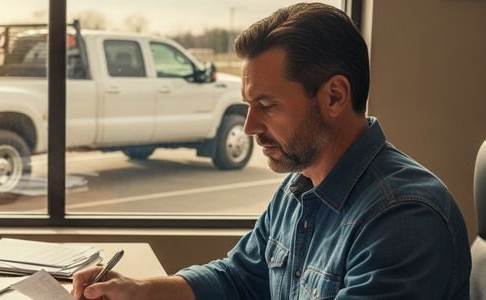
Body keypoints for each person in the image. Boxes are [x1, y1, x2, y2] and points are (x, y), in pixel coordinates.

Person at [72, 3, 471, 299]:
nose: (249, 127)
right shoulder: (302, 185)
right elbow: (239, 277)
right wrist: (141, 290)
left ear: (334, 96)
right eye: (247, 105)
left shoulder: (404, 218)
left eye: (267, 105)